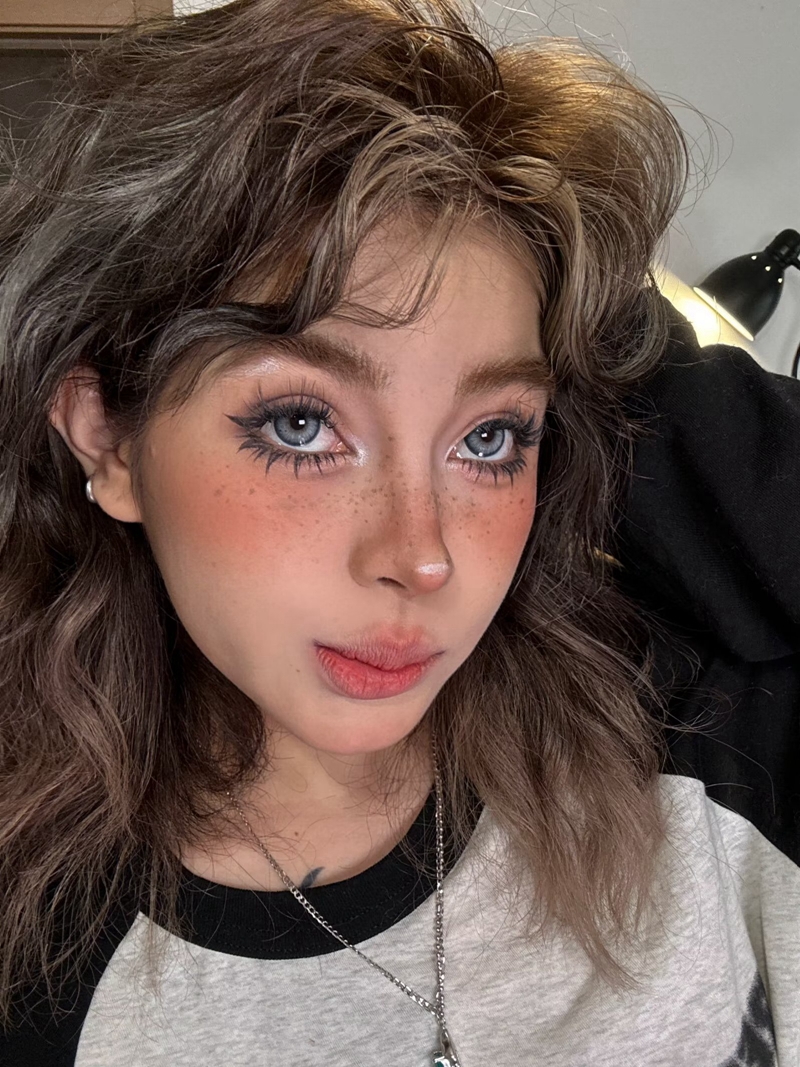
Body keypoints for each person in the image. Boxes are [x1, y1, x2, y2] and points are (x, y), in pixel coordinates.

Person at [0, 0, 797, 1064]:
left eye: (490, 437)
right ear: (106, 433)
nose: (422, 556)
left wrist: (564, 272)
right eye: (300, 423)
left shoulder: (701, 748)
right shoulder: (36, 964)